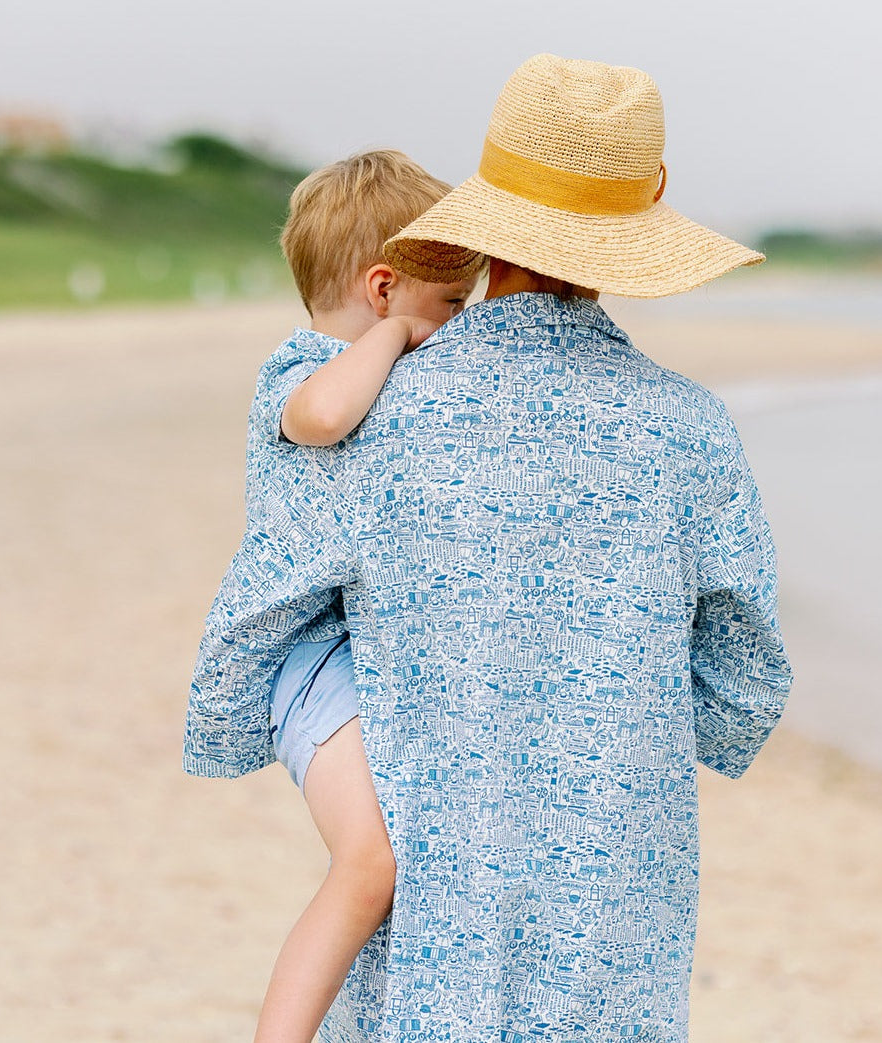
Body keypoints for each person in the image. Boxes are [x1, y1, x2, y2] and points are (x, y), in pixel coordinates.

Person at [190, 54, 792, 1042]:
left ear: (490, 210)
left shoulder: (379, 407)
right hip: (611, 859)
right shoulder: (690, 430)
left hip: (436, 849)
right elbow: (744, 676)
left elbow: (274, 588)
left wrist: (239, 716)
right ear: (641, 220)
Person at [182, 149, 482, 1043]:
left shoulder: (372, 370)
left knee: (394, 865)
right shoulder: (302, 370)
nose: (455, 331)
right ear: (381, 287)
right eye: (450, 309)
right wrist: (393, 336)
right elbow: (318, 419)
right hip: (306, 659)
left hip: (349, 653)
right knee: (370, 863)